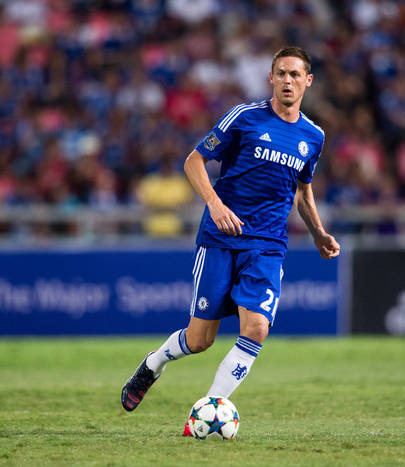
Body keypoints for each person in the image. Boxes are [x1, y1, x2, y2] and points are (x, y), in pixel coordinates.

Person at [120, 46, 341, 432]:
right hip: (221, 238)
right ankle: (154, 363)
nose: (287, 81)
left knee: (256, 328)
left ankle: (208, 409)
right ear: (271, 78)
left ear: (308, 81)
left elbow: (302, 192)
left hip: (268, 246)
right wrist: (215, 204)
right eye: (281, 73)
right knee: (199, 339)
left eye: (295, 75)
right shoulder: (245, 117)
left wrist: (318, 232)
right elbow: (193, 161)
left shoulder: (313, 136)